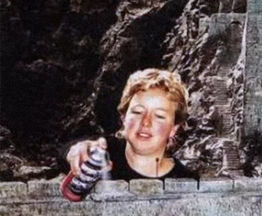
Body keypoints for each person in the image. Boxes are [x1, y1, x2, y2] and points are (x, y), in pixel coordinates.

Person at [64, 68, 197, 181]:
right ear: (124, 117)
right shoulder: (102, 154)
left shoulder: (186, 180)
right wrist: (75, 151)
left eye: (159, 116)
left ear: (173, 128)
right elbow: (66, 150)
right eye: (138, 112)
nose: (146, 122)